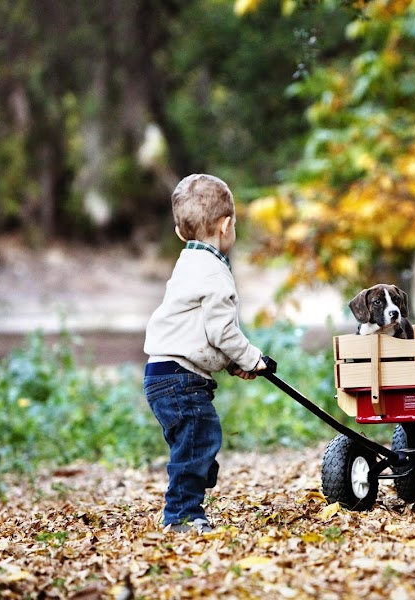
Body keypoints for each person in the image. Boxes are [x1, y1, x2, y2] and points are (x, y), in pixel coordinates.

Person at [143, 173, 266, 534]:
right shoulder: (215, 273)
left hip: (161, 375)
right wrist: (251, 357)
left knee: (195, 442)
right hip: (182, 379)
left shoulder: (188, 263)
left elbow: (199, 333)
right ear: (226, 225)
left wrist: (230, 363)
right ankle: (181, 516)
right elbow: (222, 331)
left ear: (182, 232)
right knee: (199, 440)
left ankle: (193, 481)